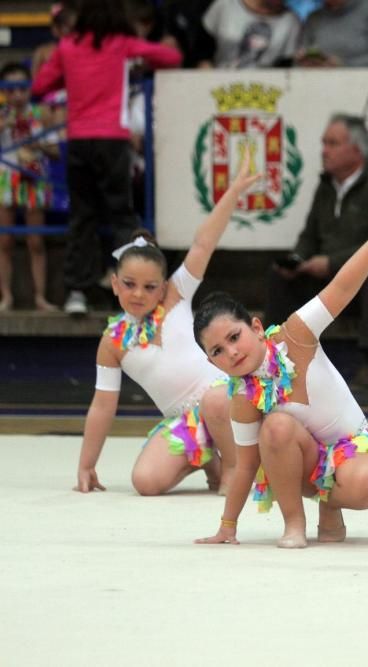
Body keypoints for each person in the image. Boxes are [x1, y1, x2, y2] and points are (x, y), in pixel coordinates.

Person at [193, 193, 368, 548]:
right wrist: (227, 526)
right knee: (277, 426)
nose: (232, 352)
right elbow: (245, 466)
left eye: (235, 337)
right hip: (303, 461)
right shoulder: (243, 400)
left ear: (254, 325)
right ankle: (294, 524)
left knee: (366, 484)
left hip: (353, 449)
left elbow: (342, 286)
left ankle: (330, 504)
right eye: (218, 351)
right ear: (210, 361)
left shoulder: (296, 334)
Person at [73, 154, 260, 496]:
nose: (139, 294)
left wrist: (232, 192)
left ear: (163, 285)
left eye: (149, 287)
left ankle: (235, 468)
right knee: (146, 482)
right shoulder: (112, 343)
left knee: (215, 402)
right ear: (114, 284)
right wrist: (86, 463)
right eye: (129, 285)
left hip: (228, 401)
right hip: (188, 423)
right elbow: (102, 405)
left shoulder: (176, 297)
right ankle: (213, 464)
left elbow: (203, 243)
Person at [31, 0, 182, 316]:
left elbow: (40, 86)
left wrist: (68, 79)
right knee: (121, 215)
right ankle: (132, 291)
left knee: (82, 216)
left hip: (78, 139)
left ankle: (76, 291)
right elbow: (172, 57)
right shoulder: (121, 44)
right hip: (113, 140)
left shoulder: (68, 46)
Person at [265, 114, 368, 386]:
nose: (324, 150)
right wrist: (297, 260)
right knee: (279, 277)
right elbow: (309, 234)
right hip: (341, 281)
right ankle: (275, 356)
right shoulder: (326, 186)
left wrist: (331, 263)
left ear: (356, 150)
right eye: (324, 143)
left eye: (332, 143)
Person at [0, 62, 60, 312]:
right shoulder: (1, 115)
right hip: (7, 178)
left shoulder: (41, 115)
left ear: (28, 89)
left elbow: (56, 151)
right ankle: (6, 297)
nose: (17, 95)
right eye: (11, 89)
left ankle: (40, 297)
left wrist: (38, 146)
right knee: (4, 242)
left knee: (36, 241)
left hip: (34, 179)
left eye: (21, 89)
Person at [296, 0, 368, 68]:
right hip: (315, 84)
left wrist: (342, 64)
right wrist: (307, 60)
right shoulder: (314, 17)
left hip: (363, 86)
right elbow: (302, 53)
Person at [203, 0, 300, 68]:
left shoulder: (291, 20)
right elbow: (202, 52)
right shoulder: (225, 5)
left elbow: (286, 66)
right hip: (218, 83)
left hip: (265, 89)